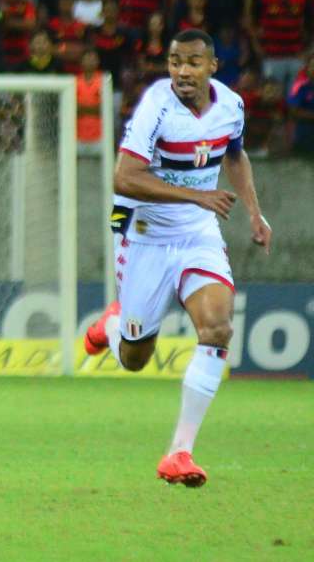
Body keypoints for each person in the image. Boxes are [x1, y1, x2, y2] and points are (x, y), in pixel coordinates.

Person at [84, 29, 272, 487]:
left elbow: (235, 154)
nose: (182, 72)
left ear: (212, 66)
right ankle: (110, 326)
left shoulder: (230, 105)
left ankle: (179, 452)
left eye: (192, 62)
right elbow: (124, 178)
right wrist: (194, 195)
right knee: (134, 357)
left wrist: (254, 213)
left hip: (197, 234)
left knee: (218, 326)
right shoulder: (155, 106)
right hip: (144, 233)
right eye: (174, 62)